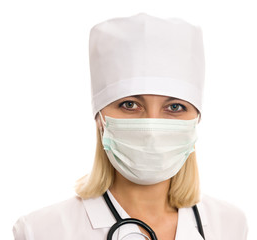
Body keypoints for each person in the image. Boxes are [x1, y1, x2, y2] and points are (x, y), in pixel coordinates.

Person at [13, 13, 248, 240]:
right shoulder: (41, 231)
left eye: (174, 107)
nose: (152, 129)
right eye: (129, 104)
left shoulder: (230, 225)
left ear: (196, 118)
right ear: (100, 117)